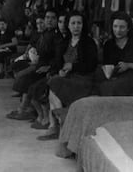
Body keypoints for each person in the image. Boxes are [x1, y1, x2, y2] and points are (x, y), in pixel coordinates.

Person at [38, 11, 98, 141]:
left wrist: (73, 67)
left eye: (79, 23)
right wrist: (59, 70)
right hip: (67, 77)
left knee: (54, 84)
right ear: (68, 26)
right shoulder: (64, 42)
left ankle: (56, 126)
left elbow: (91, 65)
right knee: (54, 82)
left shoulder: (89, 43)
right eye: (73, 23)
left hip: (84, 79)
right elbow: (57, 62)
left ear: (83, 25)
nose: (76, 26)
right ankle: (59, 124)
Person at [97, 11, 133, 96]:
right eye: (115, 26)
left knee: (115, 87)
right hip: (116, 77)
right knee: (104, 86)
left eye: (122, 27)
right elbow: (106, 65)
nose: (118, 30)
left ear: (128, 28)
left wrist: (128, 65)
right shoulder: (108, 44)